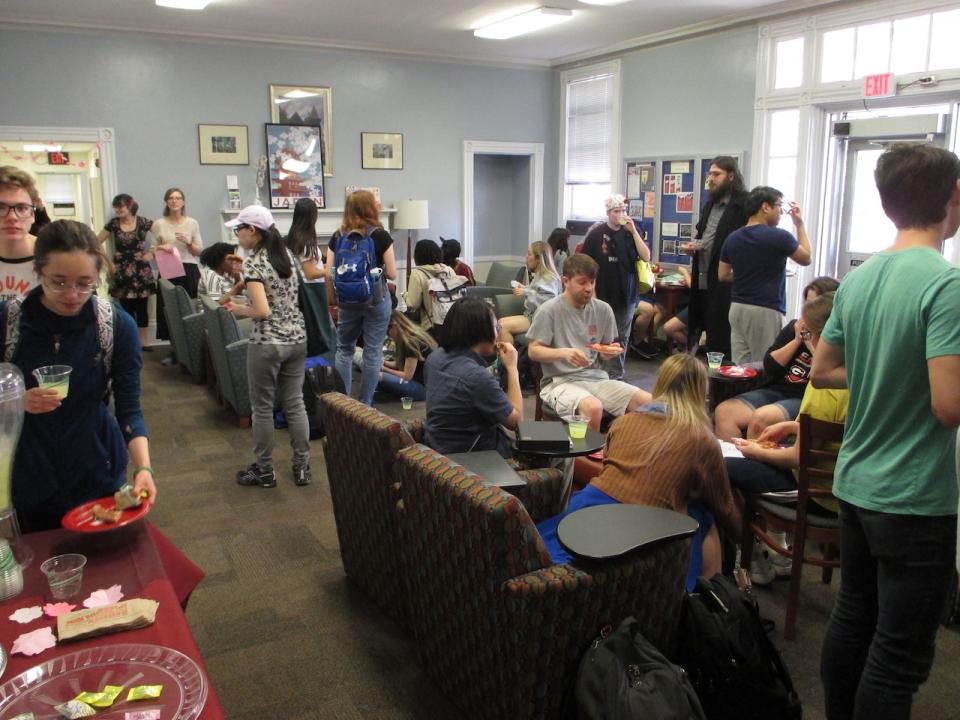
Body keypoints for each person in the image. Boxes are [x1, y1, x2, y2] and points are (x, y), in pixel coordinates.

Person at [811, 144, 960, 720]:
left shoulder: (860, 276)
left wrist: (889, 367)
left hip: (856, 486)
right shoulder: (945, 285)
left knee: (854, 619)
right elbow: (949, 405)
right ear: (952, 196)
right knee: (898, 657)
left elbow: (823, 369)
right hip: (912, 498)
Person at [535, 354, 739, 590]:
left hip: (591, 505)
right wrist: (744, 536)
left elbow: (610, 465)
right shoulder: (702, 439)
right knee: (704, 515)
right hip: (644, 522)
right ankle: (705, 600)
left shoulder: (624, 422)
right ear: (700, 393)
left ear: (660, 383)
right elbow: (723, 505)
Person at [7, 220, 156, 532]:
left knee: (108, 571)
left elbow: (129, 407)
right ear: (38, 271)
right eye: (58, 282)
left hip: (97, 468)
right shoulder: (9, 323)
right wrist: (16, 400)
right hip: (30, 471)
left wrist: (143, 467)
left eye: (85, 283)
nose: (72, 295)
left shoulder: (114, 324)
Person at [724, 291, 846, 584]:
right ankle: (768, 552)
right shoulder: (859, 374)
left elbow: (795, 457)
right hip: (842, 489)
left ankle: (752, 557)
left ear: (819, 337)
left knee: (719, 464)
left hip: (812, 493)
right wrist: (793, 428)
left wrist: (752, 450)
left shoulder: (821, 386)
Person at [225, 205, 311, 488]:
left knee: (261, 408)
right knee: (295, 403)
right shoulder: (288, 255)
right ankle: (302, 467)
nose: (237, 234)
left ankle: (264, 469)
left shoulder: (255, 263)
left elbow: (261, 310)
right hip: (297, 339)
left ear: (253, 231)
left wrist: (239, 309)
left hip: (267, 342)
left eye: (239, 229)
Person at [527, 254, 652, 431]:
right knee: (593, 407)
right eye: (582, 282)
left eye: (592, 282)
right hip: (560, 382)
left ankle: (624, 453)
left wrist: (608, 352)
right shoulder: (549, 310)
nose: (588, 288)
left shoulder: (603, 310)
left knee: (649, 403)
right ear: (566, 281)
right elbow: (533, 351)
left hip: (596, 379)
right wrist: (564, 353)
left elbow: (604, 351)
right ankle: (585, 458)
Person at [714, 276, 839, 442]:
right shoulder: (795, 327)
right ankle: (731, 466)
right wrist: (796, 341)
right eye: (806, 304)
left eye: (813, 305)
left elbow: (822, 373)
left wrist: (810, 344)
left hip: (805, 397)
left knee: (761, 418)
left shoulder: (836, 339)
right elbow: (769, 365)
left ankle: (754, 465)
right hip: (778, 390)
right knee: (724, 412)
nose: (808, 310)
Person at [718, 186, 812, 364]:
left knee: (741, 367)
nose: (781, 213)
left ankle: (741, 393)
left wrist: (747, 273)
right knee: (766, 363)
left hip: (737, 307)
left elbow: (723, 275)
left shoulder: (733, 238)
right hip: (765, 309)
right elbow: (806, 258)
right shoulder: (779, 236)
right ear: (765, 207)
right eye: (779, 207)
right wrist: (799, 224)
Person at [424, 297, 522, 458]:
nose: (498, 333)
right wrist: (512, 368)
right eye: (496, 327)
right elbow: (517, 422)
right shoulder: (476, 378)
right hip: (475, 460)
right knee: (559, 456)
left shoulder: (435, 358)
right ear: (481, 332)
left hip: (439, 450)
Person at [326, 189, 396, 406]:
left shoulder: (338, 236)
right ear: (370, 208)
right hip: (376, 300)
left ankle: (344, 405)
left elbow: (330, 271)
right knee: (372, 353)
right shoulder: (380, 235)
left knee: (344, 350)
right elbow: (393, 273)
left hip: (347, 301)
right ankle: (365, 405)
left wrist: (334, 300)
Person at [682, 156, 748, 357]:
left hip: (726, 281)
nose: (711, 178)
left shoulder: (743, 204)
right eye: (710, 174)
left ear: (731, 176)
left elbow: (742, 239)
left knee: (723, 338)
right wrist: (695, 245)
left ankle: (722, 383)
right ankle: (708, 382)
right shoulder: (709, 204)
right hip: (703, 278)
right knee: (704, 331)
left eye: (716, 174)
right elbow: (706, 236)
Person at [581, 194, 651, 379]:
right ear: (608, 213)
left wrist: (634, 231)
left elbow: (646, 256)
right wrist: (591, 293)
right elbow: (585, 266)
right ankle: (597, 372)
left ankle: (616, 375)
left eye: (623, 210)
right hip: (602, 292)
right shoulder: (596, 234)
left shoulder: (631, 231)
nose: (621, 214)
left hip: (626, 293)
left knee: (621, 336)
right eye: (616, 211)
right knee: (599, 336)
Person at [98, 194, 155, 350]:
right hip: (121, 270)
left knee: (142, 308)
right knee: (126, 308)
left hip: (141, 269)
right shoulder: (113, 224)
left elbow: (163, 237)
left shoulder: (144, 222)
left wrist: (152, 252)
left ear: (130, 206)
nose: (117, 209)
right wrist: (109, 263)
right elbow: (95, 243)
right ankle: (130, 340)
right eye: (116, 207)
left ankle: (144, 342)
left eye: (120, 206)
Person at [151, 187, 202, 363]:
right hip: (168, 269)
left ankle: (193, 351)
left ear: (183, 202)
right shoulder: (158, 224)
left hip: (188, 268)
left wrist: (188, 242)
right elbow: (151, 251)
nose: (174, 201)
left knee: (189, 308)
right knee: (169, 309)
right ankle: (175, 351)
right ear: (166, 202)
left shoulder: (192, 223)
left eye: (178, 198)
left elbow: (199, 251)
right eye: (171, 198)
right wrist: (160, 247)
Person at [361, 310, 436, 402]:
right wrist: (383, 363)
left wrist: (384, 369)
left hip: (424, 390)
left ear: (395, 326)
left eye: (388, 332)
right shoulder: (409, 337)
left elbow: (407, 375)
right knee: (374, 376)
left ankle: (365, 402)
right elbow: (401, 364)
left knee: (377, 376)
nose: (388, 335)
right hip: (422, 384)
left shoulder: (411, 342)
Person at [497, 241, 561, 345]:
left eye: (529, 254)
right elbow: (538, 290)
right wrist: (525, 287)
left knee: (503, 326)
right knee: (499, 323)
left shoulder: (550, 278)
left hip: (542, 320)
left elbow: (548, 299)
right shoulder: (541, 275)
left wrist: (525, 292)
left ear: (539, 259)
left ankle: (509, 360)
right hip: (532, 315)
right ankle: (500, 358)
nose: (526, 257)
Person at [403, 238, 458, 340]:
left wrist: (405, 295)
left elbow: (413, 304)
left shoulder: (417, 274)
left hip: (431, 326)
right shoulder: (449, 270)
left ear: (417, 256)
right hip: (453, 322)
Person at [0, 166, 40, 303]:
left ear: (33, 215)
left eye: (21, 208)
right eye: (0, 207)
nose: (12, 217)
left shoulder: (56, 256)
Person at [286, 197, 325, 281]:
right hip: (313, 289)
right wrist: (332, 271)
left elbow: (312, 266)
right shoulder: (305, 242)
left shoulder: (297, 237)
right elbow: (310, 274)